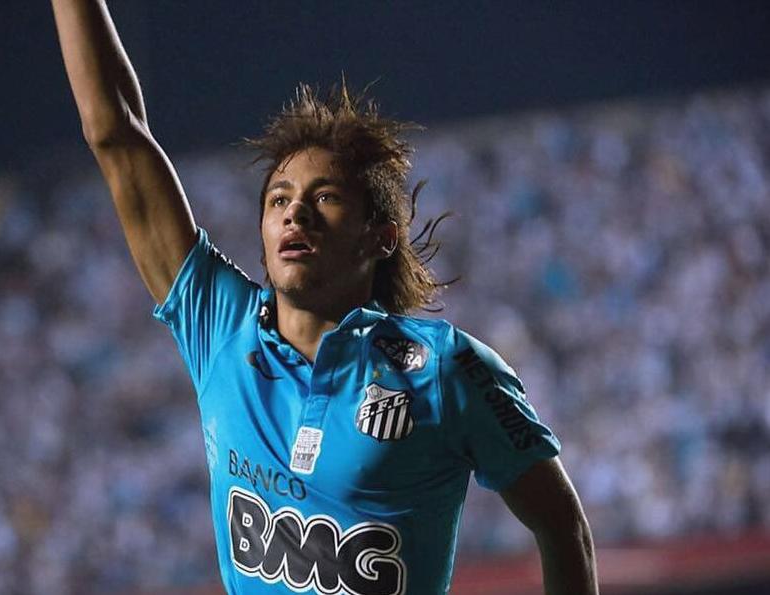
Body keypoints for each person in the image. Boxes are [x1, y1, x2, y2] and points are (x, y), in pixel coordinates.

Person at [51, 1, 598, 593]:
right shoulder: (219, 330)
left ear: (380, 236)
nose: (296, 214)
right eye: (279, 199)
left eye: (326, 196)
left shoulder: (447, 368)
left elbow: (561, 522)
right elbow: (116, 133)